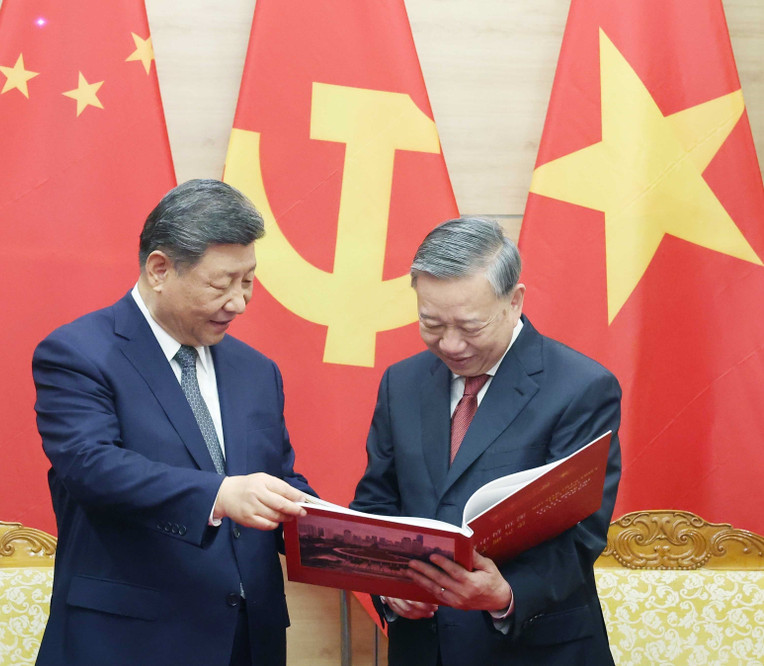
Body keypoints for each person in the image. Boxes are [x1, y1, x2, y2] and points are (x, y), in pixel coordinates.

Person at [32, 179, 314, 666]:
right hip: (130, 641)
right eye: (221, 283)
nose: (239, 302)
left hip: (248, 640)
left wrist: (357, 543)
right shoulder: (78, 353)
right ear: (160, 269)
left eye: (247, 281)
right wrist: (219, 494)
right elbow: (92, 466)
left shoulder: (256, 370)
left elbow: (274, 480)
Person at [351, 216, 621, 665]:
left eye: (470, 327)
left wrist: (506, 593)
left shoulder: (581, 387)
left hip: (534, 649)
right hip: (423, 647)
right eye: (431, 324)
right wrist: (390, 584)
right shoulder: (403, 382)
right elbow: (377, 503)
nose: (451, 344)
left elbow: (581, 535)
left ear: (514, 302)